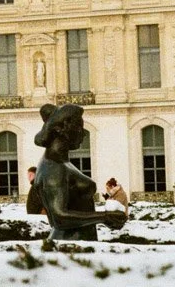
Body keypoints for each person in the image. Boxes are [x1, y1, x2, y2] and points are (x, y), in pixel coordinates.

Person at [33, 103, 126, 240]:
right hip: (67, 245)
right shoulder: (54, 168)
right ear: (62, 128)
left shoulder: (62, 164)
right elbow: (59, 218)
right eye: (79, 127)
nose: (82, 133)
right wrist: (105, 217)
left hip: (75, 244)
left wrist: (106, 218)